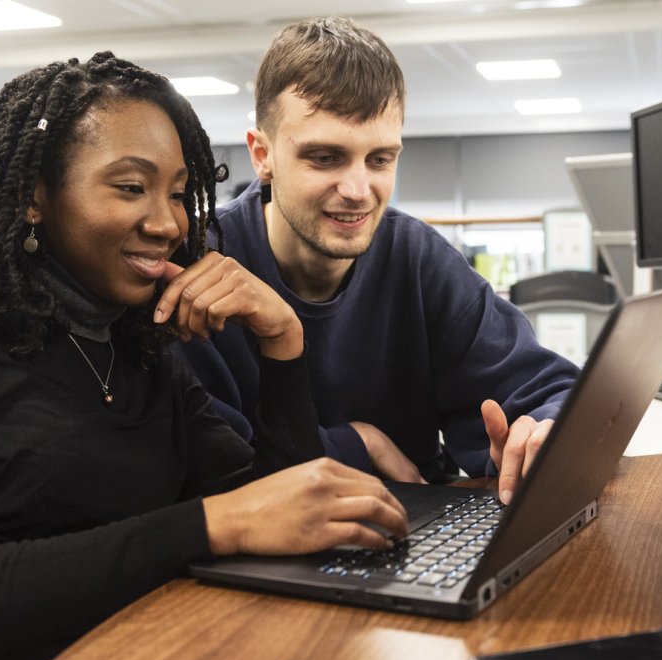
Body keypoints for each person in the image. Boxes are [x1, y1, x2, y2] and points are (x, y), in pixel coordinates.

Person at [0, 52, 406, 660]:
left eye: (179, 194)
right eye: (131, 188)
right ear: (34, 196)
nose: (168, 222)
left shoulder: (134, 343)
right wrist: (210, 526)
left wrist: (283, 342)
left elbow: (276, 515)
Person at [178, 17, 580, 504]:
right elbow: (216, 465)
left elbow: (544, 388)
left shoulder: (418, 258)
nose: (357, 191)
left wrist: (543, 430)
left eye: (380, 160)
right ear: (263, 155)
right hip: (258, 546)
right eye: (325, 158)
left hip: (416, 524)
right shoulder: (201, 265)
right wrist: (358, 444)